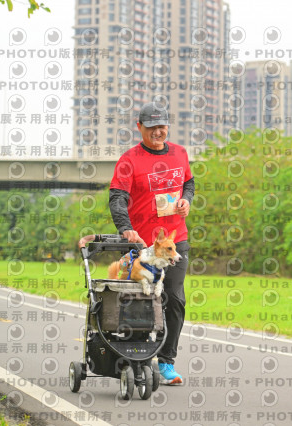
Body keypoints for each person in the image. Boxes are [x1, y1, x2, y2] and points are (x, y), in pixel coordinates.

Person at [109, 102, 195, 385]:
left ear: (167, 126)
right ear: (140, 127)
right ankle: (137, 356)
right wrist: (125, 228)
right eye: (151, 127)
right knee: (139, 299)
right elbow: (117, 197)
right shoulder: (129, 159)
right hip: (142, 245)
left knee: (175, 299)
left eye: (162, 126)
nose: (158, 132)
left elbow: (189, 184)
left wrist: (186, 201)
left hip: (175, 242)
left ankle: (167, 362)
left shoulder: (180, 153)